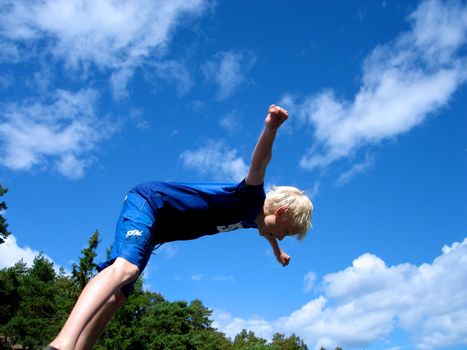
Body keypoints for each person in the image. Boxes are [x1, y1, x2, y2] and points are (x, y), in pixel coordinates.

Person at [46, 104, 313, 350]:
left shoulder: (254, 221)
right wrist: (271, 128)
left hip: (156, 230)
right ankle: (62, 343)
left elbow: (266, 232)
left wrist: (277, 252)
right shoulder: (251, 196)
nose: (283, 237)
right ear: (279, 212)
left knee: (119, 297)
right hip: (149, 203)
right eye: (287, 231)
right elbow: (260, 162)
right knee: (125, 269)